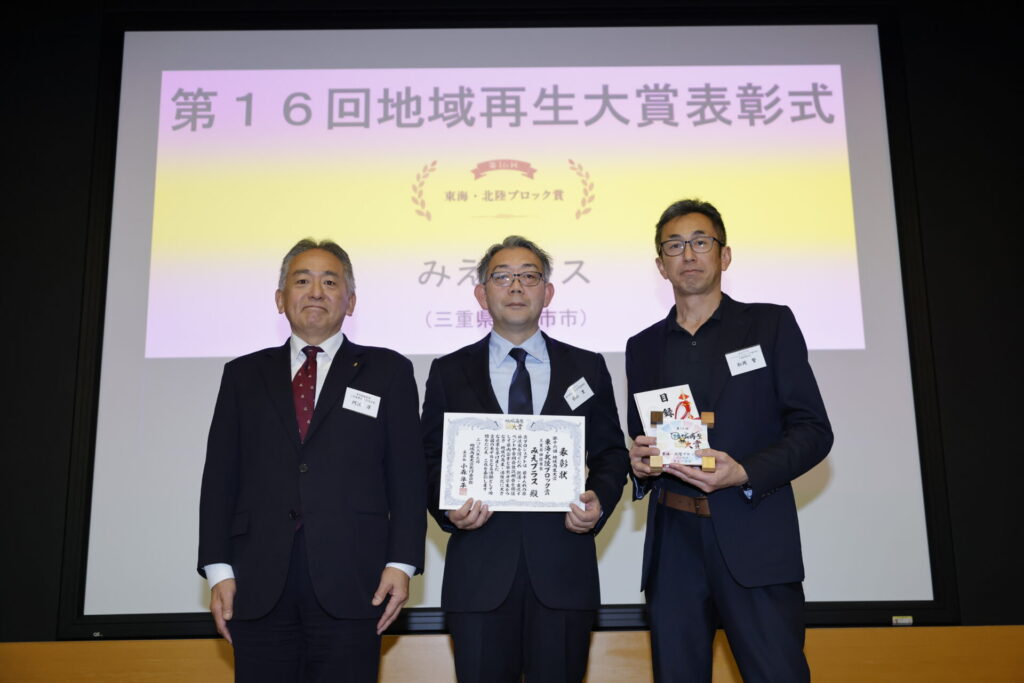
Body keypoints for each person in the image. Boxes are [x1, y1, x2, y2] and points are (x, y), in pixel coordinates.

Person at [197, 239, 426, 683]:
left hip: (356, 578)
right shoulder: (243, 374)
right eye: (302, 281)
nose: (316, 292)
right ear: (280, 299)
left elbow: (408, 478)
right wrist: (218, 570)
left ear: (351, 301)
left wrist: (401, 563)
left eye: (330, 282)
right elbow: (220, 478)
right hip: (257, 579)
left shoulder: (388, 371)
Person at [626, 200, 833, 683]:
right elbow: (645, 437)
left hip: (753, 533)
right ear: (660, 265)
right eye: (674, 245)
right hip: (674, 546)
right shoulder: (643, 346)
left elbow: (814, 430)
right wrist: (639, 464)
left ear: (725, 255)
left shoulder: (770, 325)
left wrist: (744, 472)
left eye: (701, 242)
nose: (688, 254)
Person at [422, 236, 629, 683]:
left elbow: (612, 453)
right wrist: (448, 508)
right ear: (481, 294)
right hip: (479, 575)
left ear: (548, 292)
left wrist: (599, 501)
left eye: (529, 276)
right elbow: (428, 459)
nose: (516, 286)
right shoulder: (448, 371)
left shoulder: (587, 368)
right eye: (502, 276)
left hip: (563, 571)